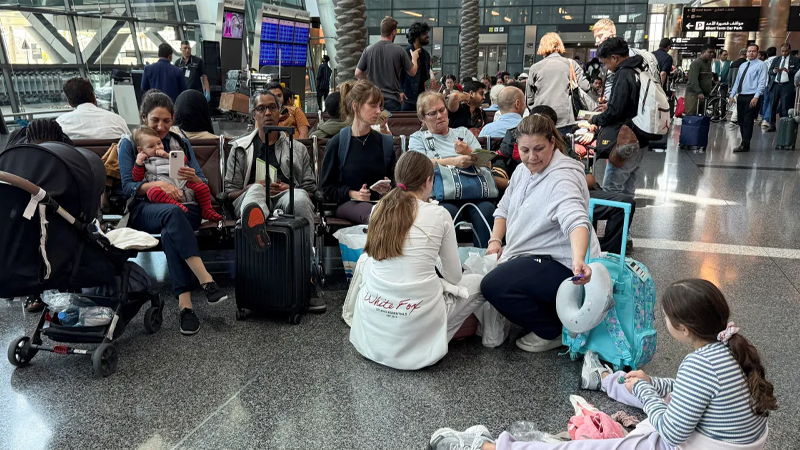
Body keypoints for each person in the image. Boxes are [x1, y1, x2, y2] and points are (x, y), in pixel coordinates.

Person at [429, 279, 776, 450]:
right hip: (725, 441)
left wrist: (645, 391)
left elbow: (672, 433)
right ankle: (607, 379)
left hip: (691, 444)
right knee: (648, 389)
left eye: (666, 318)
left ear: (683, 328)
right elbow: (693, 390)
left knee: (589, 447)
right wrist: (653, 384)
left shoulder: (699, 365)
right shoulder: (729, 348)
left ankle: (490, 447)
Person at [349, 150, 487, 370]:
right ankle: (482, 337)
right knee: (480, 283)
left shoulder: (378, 209)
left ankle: (415, 336)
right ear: (427, 181)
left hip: (369, 342)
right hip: (417, 331)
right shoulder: (439, 214)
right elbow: (454, 277)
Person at [481, 114, 599, 353]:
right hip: (536, 255)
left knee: (494, 285)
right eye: (525, 150)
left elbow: (576, 220)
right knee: (499, 279)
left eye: (539, 149)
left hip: (564, 264)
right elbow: (503, 209)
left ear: (552, 143)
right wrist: (495, 240)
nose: (532, 157)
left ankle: (553, 330)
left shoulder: (562, 178)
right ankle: (549, 313)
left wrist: (578, 259)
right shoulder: (522, 171)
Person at [118, 91, 226, 335]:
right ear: (144, 118)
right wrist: (156, 185)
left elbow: (201, 180)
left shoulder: (179, 142)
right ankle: (206, 281)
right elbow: (127, 187)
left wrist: (192, 177)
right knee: (172, 215)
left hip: (184, 206)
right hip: (146, 207)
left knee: (171, 227)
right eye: (155, 120)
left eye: (166, 121)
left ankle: (186, 306)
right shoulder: (130, 143)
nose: (161, 127)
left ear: (173, 119)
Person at [223, 90, 325, 312]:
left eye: (272, 107)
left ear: (281, 112)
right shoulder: (239, 148)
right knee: (256, 191)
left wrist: (292, 188)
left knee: (299, 198)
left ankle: (306, 279)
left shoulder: (297, 148)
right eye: (261, 108)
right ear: (254, 114)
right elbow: (230, 192)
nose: (267, 113)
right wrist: (253, 186)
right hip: (250, 197)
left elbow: (309, 188)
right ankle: (256, 224)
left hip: (284, 196)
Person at [409, 92, 495, 248]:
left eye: (442, 110)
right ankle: (450, 260)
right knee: (446, 213)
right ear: (422, 118)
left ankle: (485, 258)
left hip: (475, 191)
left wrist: (468, 152)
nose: (439, 116)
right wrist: (454, 161)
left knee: (487, 210)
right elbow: (418, 165)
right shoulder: (418, 138)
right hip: (442, 196)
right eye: (432, 113)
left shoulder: (463, 133)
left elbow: (487, 164)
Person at [321, 80, 396, 224]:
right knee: (375, 214)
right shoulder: (338, 143)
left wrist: (388, 187)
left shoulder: (383, 142)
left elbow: (395, 180)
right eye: (373, 105)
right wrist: (353, 193)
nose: (378, 111)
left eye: (380, 106)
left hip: (381, 203)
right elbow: (328, 189)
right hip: (349, 203)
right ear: (356, 106)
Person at [580, 37, 643, 197]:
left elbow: (615, 112)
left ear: (614, 58)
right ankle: (626, 213)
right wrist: (611, 105)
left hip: (626, 139)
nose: (606, 68)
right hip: (640, 136)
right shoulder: (638, 69)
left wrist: (595, 119)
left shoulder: (623, 73)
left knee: (611, 188)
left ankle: (614, 214)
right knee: (628, 187)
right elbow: (630, 103)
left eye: (606, 63)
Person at [131, 126, 221, 222]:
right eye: (151, 146)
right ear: (141, 150)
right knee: (152, 192)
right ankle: (176, 206)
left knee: (202, 187)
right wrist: (138, 163)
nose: (157, 147)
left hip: (183, 185)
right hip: (164, 192)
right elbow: (137, 179)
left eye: (159, 143)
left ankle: (207, 210)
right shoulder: (144, 162)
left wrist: (167, 155)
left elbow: (184, 159)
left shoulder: (170, 153)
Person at [527, 32, 590, 135]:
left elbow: (529, 97)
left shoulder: (535, 68)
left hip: (542, 117)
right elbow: (585, 86)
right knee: (563, 143)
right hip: (565, 118)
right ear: (559, 45)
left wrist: (535, 110)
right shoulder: (571, 64)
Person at [355, 17, 419, 112]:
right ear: (394, 32)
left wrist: (369, 83)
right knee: (391, 122)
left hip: (373, 99)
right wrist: (414, 57)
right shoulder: (399, 50)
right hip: (392, 101)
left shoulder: (368, 50)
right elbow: (413, 72)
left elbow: (357, 73)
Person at [592, 19, 660, 102]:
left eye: (600, 36)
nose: (597, 41)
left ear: (611, 33)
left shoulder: (628, 59)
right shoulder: (641, 55)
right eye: (595, 37)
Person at [56, 77, 130, 140]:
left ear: (70, 103)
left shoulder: (60, 123)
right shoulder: (118, 120)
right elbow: (130, 145)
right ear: (93, 97)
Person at [729, 44, 767, 153]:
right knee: (740, 121)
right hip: (741, 95)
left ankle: (745, 144)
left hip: (752, 96)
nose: (751, 53)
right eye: (749, 51)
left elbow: (762, 82)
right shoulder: (743, 65)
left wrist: (756, 97)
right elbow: (737, 81)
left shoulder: (761, 65)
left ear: (757, 53)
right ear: (746, 53)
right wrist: (732, 95)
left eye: (753, 51)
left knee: (748, 121)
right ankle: (744, 141)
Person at [767, 43, 799, 132]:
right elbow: (770, 71)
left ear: (789, 50)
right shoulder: (777, 59)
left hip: (787, 85)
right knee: (773, 105)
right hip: (776, 84)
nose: (784, 53)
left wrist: (789, 71)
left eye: (786, 51)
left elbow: (798, 71)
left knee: (785, 106)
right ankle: (772, 125)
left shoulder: (795, 60)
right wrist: (774, 71)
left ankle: (784, 125)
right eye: (782, 51)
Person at [401, 22, 432, 112]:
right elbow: (397, 74)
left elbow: (426, 76)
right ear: (416, 36)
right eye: (424, 34)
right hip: (408, 100)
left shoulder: (426, 54)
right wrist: (400, 91)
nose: (428, 36)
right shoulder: (405, 53)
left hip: (422, 100)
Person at [686, 45, 716, 116]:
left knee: (701, 116)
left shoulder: (708, 63)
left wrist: (713, 83)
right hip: (694, 94)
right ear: (703, 52)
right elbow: (693, 79)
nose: (712, 54)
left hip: (703, 95)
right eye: (709, 52)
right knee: (691, 115)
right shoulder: (696, 63)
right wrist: (699, 92)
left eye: (713, 52)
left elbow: (705, 78)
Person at [729, 48, 748, 124]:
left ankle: (735, 118)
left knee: (737, 103)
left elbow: (729, 76)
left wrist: (730, 86)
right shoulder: (747, 64)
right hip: (743, 87)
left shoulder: (733, 63)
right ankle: (734, 119)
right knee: (740, 104)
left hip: (734, 86)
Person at [761, 47, 778, 128]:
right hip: (773, 81)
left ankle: (764, 118)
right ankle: (767, 119)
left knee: (765, 100)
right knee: (772, 101)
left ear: (767, 54)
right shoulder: (778, 60)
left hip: (765, 82)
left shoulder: (765, 62)